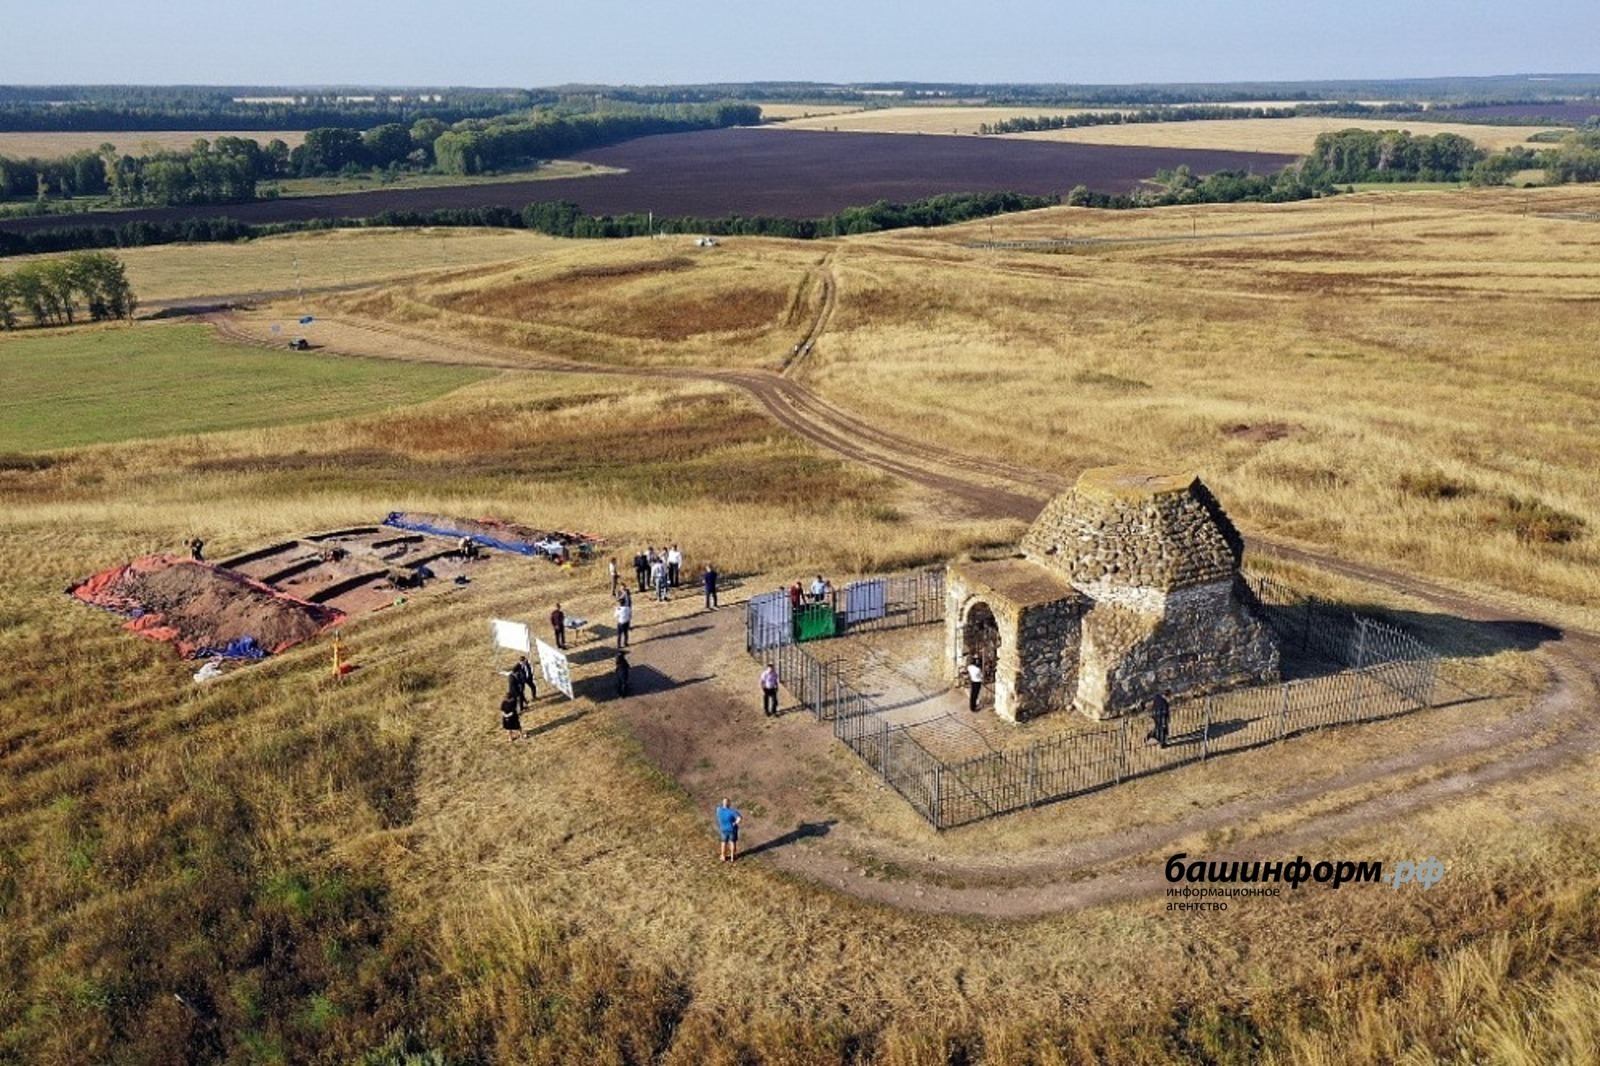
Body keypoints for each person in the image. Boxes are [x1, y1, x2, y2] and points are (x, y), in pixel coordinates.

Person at [716, 798, 742, 862]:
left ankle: (723, 856)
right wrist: (735, 823)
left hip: (723, 829)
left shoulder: (719, 810)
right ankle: (733, 856)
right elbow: (739, 818)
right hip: (732, 829)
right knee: (732, 842)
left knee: (723, 843)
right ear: (729, 803)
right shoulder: (732, 812)